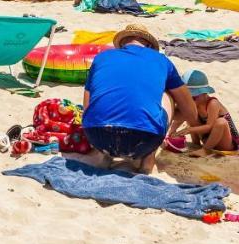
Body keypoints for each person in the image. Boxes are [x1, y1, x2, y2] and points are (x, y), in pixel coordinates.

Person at [82, 25, 197, 174]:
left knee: (104, 97)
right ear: (148, 45)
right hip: (144, 139)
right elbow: (188, 108)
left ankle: (104, 155)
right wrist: (196, 128)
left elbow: (87, 105)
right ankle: (148, 159)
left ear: (123, 44)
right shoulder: (161, 60)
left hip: (96, 137)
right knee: (168, 93)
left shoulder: (102, 57)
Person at [168, 70, 239, 153]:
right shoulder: (195, 104)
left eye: (194, 98)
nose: (191, 101)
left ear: (205, 93)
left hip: (225, 143)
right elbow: (179, 116)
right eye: (188, 98)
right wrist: (172, 131)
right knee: (189, 112)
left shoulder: (213, 103)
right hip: (207, 140)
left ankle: (205, 150)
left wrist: (189, 130)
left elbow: (209, 126)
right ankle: (196, 145)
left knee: (221, 122)